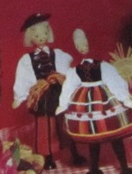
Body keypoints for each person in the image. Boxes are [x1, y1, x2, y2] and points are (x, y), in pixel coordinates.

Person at [57, 29, 132, 174]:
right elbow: (69, 86)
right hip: (85, 101)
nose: (83, 48)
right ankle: (94, 168)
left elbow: (114, 81)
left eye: (85, 44)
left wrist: (124, 98)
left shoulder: (102, 65)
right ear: (75, 48)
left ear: (90, 44)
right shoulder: (76, 70)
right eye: (79, 46)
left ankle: (124, 167)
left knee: (115, 135)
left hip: (103, 98)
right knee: (93, 138)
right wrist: (63, 104)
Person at [12, 12, 86, 169]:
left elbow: (67, 67)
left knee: (64, 122)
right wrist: (19, 96)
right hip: (42, 95)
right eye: (36, 35)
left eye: (44, 33)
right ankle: (47, 157)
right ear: (30, 37)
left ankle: (74, 152)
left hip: (58, 91)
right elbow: (23, 76)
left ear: (48, 33)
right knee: (45, 126)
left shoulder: (57, 54)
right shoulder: (27, 60)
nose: (41, 37)